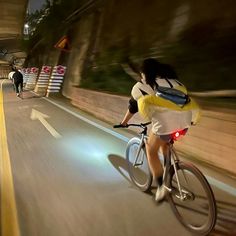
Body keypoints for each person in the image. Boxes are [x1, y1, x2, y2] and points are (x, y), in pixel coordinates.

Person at [119, 58, 200, 202]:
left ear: (146, 72)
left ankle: (162, 187)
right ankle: (167, 171)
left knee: (151, 150)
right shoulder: (175, 81)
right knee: (164, 142)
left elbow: (133, 106)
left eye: (142, 73)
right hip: (185, 122)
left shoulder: (143, 85)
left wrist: (124, 122)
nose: (141, 76)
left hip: (166, 123)